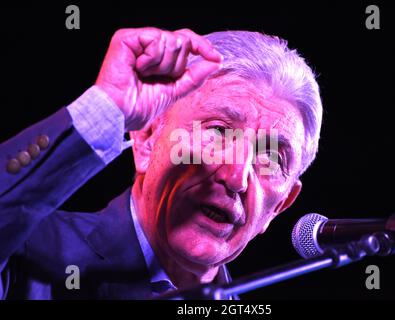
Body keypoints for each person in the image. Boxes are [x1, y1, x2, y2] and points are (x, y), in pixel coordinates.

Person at [0, 27, 323, 299]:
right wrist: (106, 109)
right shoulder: (28, 253)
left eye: (270, 157)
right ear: (147, 139)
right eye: (219, 132)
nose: (236, 177)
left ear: (280, 205)